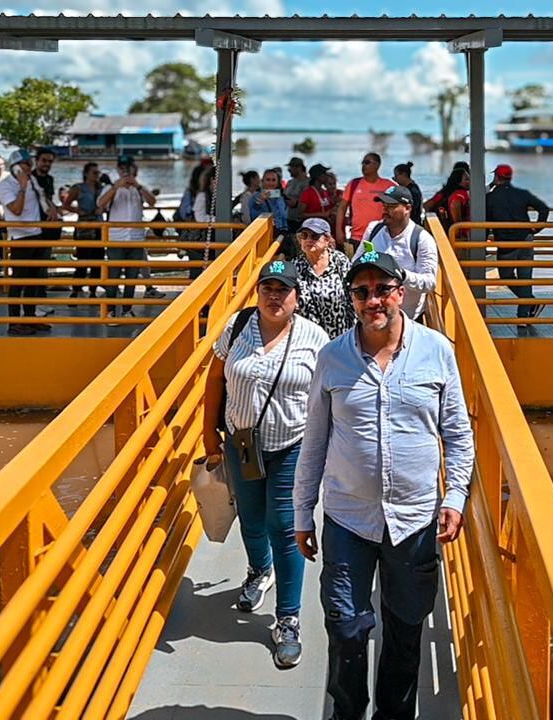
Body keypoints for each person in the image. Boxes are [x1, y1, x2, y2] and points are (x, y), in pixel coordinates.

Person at [294, 250, 474, 720]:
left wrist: (455, 495)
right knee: (347, 629)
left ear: (400, 292)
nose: (373, 300)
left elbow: (456, 432)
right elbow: (314, 441)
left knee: (406, 628)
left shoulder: (438, 350)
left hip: (414, 519)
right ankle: (348, 713)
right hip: (348, 518)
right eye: (361, 292)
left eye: (381, 290)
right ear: (351, 299)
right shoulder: (332, 358)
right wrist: (301, 513)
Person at [202, 260, 330, 669]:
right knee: (251, 520)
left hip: (292, 446)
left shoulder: (314, 338)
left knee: (283, 523)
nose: (275, 296)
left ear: (297, 295)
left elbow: (328, 396)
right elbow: (215, 379)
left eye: (283, 289)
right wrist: (209, 433)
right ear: (257, 292)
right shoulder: (238, 328)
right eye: (267, 288)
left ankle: (288, 618)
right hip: (242, 444)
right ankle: (260, 571)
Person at [353, 185, 438, 321]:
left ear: (407, 208)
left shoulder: (421, 239)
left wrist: (401, 274)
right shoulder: (373, 229)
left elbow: (429, 283)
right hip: (374, 315)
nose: (385, 210)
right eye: (384, 206)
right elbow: (355, 263)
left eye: (391, 206)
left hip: (407, 320)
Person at [0, 149, 51, 335]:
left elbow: (41, 199)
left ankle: (29, 317)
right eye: (26, 165)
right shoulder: (5, 186)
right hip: (20, 237)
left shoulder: (32, 180)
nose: (30, 168)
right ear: (16, 166)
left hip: (37, 233)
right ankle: (13, 322)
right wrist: (22, 187)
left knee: (34, 281)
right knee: (18, 281)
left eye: (30, 164)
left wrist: (52, 210)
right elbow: (16, 210)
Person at [485, 164, 551, 318]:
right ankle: (523, 315)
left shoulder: (490, 198)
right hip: (526, 239)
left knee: (506, 275)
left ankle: (530, 303)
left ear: (496, 177)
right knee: (525, 278)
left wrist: (482, 245)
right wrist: (537, 228)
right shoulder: (522, 194)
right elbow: (544, 209)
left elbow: (485, 224)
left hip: (507, 244)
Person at [99, 156, 159, 317]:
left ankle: (127, 309)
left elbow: (152, 202)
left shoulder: (139, 189)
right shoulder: (111, 187)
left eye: (129, 168)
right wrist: (115, 188)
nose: (126, 172)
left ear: (134, 170)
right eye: (123, 168)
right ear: (118, 170)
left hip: (136, 240)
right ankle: (110, 310)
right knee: (113, 277)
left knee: (131, 278)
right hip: (116, 240)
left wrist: (138, 186)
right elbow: (100, 204)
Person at [292, 218, 354, 339]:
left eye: (314, 236)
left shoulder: (340, 261)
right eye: (304, 235)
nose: (309, 240)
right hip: (308, 337)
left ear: (327, 240)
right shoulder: (295, 266)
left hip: (340, 336)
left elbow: (352, 296)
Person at [334, 152, 396, 254]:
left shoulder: (389, 185)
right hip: (356, 238)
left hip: (382, 237)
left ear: (377, 165)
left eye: (367, 162)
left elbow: (399, 209)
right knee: (355, 267)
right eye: (362, 163)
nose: (363, 166)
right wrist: (339, 231)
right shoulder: (353, 184)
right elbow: (342, 208)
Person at [63, 162, 107, 299]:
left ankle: (93, 290)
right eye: (94, 173)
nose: (97, 176)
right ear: (86, 173)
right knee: (82, 260)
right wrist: (78, 211)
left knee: (97, 261)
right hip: (84, 227)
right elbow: (66, 204)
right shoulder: (79, 188)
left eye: (98, 173)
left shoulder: (102, 188)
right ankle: (76, 289)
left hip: (99, 226)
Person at [246, 168, 291, 256]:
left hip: (280, 233)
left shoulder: (280, 197)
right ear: (262, 181)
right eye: (268, 180)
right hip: (263, 235)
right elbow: (253, 214)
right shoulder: (256, 196)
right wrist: (260, 201)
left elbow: (283, 215)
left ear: (278, 182)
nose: (270, 183)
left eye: (273, 180)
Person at [188, 164, 218, 280]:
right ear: (212, 180)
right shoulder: (203, 196)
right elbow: (199, 218)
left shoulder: (217, 196)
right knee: (197, 274)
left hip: (211, 240)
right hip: (200, 241)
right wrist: (220, 220)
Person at [422, 160, 469, 224]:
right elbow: (427, 205)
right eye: (466, 179)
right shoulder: (455, 195)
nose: (469, 181)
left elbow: (426, 205)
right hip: (453, 228)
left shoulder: (444, 192)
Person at [283, 156, 310, 234]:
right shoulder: (290, 182)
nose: (288, 170)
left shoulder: (308, 183)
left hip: (301, 221)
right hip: (289, 218)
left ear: (298, 168)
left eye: (290, 168)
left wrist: (296, 203)